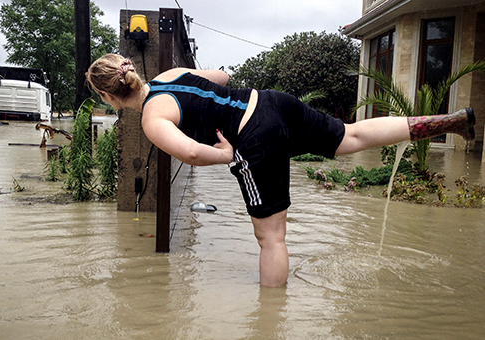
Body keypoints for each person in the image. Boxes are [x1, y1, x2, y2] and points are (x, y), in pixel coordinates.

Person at [86, 54, 476, 287]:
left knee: (271, 239)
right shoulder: (169, 75)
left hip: (255, 136)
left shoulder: (153, 119)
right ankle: (448, 121)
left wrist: (229, 156)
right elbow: (221, 79)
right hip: (270, 101)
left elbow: (192, 154)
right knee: (352, 135)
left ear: (108, 96)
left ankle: (271, 320)